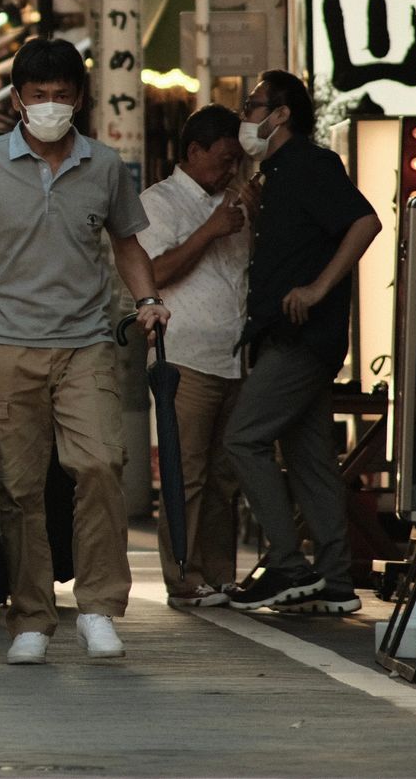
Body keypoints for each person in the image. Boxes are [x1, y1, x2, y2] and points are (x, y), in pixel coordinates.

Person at [0, 37, 169, 665]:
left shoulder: (104, 167)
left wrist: (147, 300)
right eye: (37, 97)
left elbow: (127, 245)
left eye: (60, 97)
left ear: (80, 98)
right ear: (16, 100)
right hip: (3, 347)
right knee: (17, 489)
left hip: (84, 343)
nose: (48, 107)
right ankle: (32, 617)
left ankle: (97, 607)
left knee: (100, 465)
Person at [224, 71, 379, 615]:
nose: (245, 116)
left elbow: (364, 223)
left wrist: (316, 288)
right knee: (310, 455)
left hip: (301, 335)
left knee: (244, 437)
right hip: (285, 333)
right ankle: (334, 580)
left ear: (282, 114)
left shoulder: (310, 164)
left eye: (252, 105)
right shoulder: (275, 175)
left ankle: (288, 563)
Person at [136, 105, 249, 609]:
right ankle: (184, 576)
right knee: (188, 473)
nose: (230, 170)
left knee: (226, 474)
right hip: (185, 355)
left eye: (236, 162)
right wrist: (208, 230)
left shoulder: (237, 201)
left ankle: (221, 574)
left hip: (234, 356)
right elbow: (154, 272)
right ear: (194, 153)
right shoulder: (158, 203)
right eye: (223, 159)